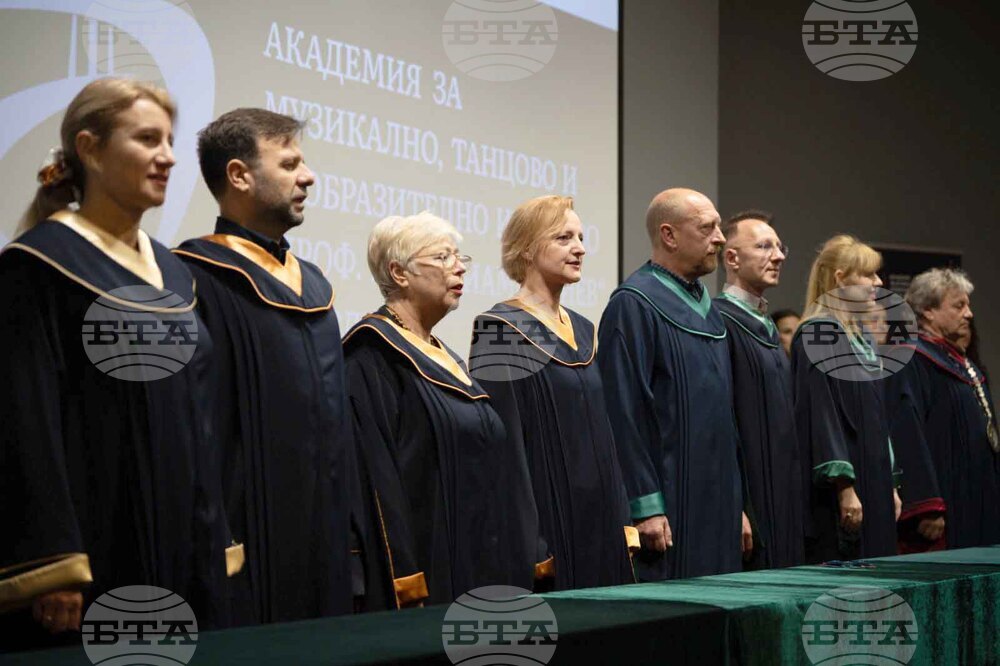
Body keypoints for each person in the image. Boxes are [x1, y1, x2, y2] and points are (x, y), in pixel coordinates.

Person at [0, 78, 226, 650]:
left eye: (170, 140)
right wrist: (51, 564)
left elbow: (200, 417)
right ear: (91, 149)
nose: (169, 156)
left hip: (181, 546)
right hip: (95, 553)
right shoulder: (40, 264)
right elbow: (23, 422)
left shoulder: (176, 274)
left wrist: (214, 534)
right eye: (147, 138)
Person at [173, 109, 359, 624]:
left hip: (324, 541)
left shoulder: (315, 284)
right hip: (246, 539)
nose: (309, 176)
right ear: (239, 175)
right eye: (290, 163)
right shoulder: (195, 278)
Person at [343, 212, 538, 609]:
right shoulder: (372, 354)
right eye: (443, 257)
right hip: (429, 572)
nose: (458, 268)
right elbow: (378, 482)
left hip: (479, 558)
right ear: (399, 272)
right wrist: (404, 577)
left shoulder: (442, 354)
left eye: (459, 258)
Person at [468, 195, 636, 590]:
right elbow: (503, 448)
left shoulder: (582, 329)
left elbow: (607, 439)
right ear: (526, 248)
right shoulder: (499, 329)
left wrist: (623, 518)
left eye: (580, 237)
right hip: (551, 522)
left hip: (603, 523)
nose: (580, 247)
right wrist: (531, 544)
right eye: (563, 237)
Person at [597, 188, 747, 581]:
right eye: (707, 227)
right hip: (671, 499)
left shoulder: (709, 310)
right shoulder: (634, 303)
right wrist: (646, 505)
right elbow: (624, 412)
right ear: (669, 235)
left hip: (718, 498)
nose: (720, 237)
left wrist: (738, 503)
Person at [791, 235, 901, 563]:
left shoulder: (862, 338)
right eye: (868, 275)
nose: (877, 283)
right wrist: (844, 487)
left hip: (874, 479)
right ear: (840, 279)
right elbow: (821, 416)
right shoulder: (819, 333)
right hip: (841, 489)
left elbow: (878, 417)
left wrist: (890, 485)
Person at [886, 268, 1000, 552]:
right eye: (959, 305)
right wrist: (927, 504)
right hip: (946, 500)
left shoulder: (958, 360)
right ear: (927, 312)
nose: (969, 314)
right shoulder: (912, 358)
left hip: (977, 493)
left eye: (968, 305)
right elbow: (906, 431)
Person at [716, 211, 804, 569]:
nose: (779, 256)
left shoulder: (766, 325)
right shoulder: (720, 322)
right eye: (765, 246)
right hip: (751, 496)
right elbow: (721, 423)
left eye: (779, 247)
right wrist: (735, 505)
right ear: (732, 258)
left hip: (783, 492)